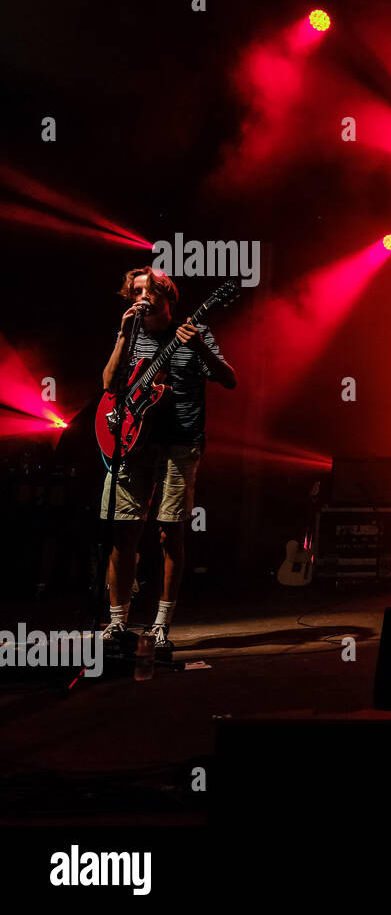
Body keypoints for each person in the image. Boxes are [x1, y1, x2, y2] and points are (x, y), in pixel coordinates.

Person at [99, 267, 237, 657]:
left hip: (180, 442)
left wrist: (201, 348)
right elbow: (110, 384)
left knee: (168, 532)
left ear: (167, 297)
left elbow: (229, 380)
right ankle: (116, 621)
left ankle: (160, 625)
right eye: (135, 291)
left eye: (149, 291)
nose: (140, 297)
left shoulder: (194, 333)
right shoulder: (130, 334)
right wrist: (124, 336)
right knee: (123, 532)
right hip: (131, 442)